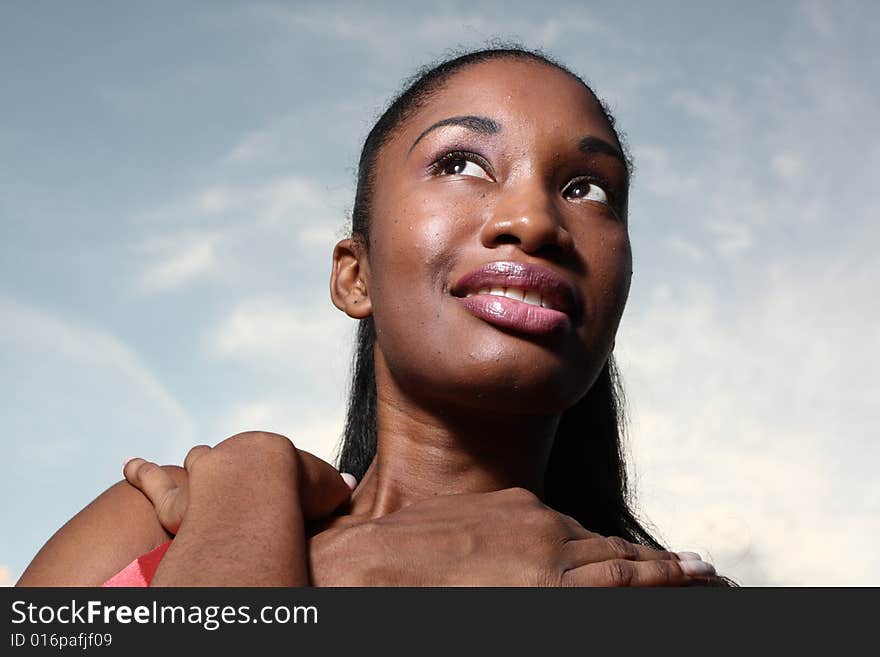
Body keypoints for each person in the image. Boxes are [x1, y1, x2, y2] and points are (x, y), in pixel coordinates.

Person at [17, 46, 733, 587]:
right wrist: (263, 487)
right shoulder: (154, 522)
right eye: (461, 164)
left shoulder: (663, 594)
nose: (533, 219)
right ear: (354, 275)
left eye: (589, 189)